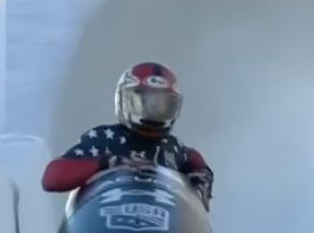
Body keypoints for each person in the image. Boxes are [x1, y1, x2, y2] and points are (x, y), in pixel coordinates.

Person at [41, 61, 214, 209]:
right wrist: (106, 163)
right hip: (108, 227)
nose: (154, 110)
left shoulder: (171, 147)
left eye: (162, 104)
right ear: (124, 101)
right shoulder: (103, 140)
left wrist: (202, 171)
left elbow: (191, 155)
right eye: (146, 102)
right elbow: (52, 178)